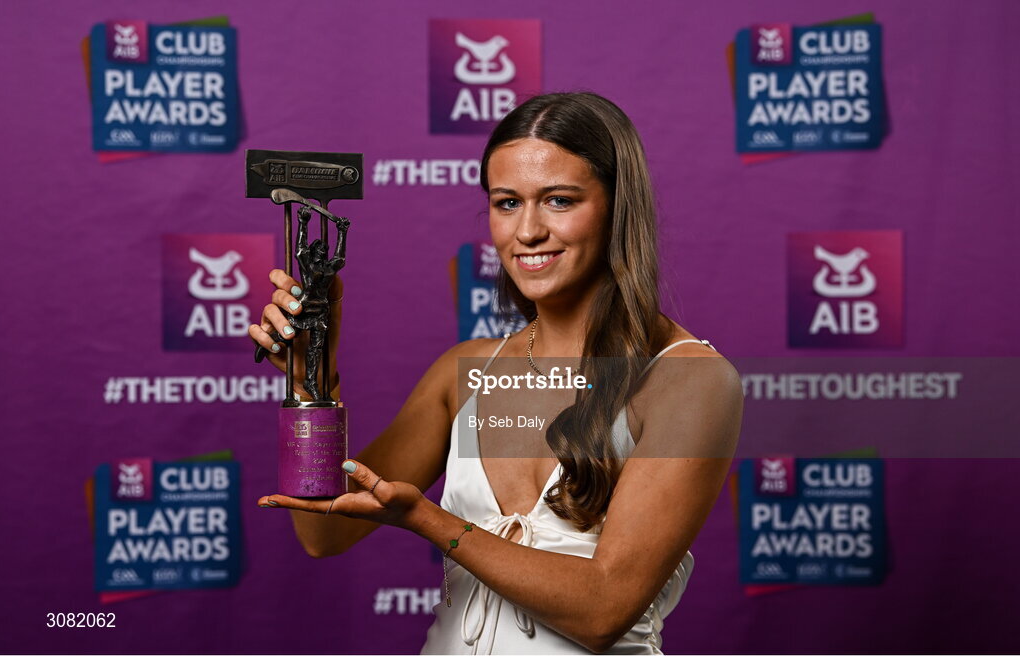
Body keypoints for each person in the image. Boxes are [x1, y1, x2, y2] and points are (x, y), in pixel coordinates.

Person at [248, 92, 744, 654]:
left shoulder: (688, 380)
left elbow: (604, 609)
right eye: (507, 203)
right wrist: (311, 379)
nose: (527, 231)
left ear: (618, 207)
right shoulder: (465, 372)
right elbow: (325, 529)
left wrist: (430, 520)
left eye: (559, 201)